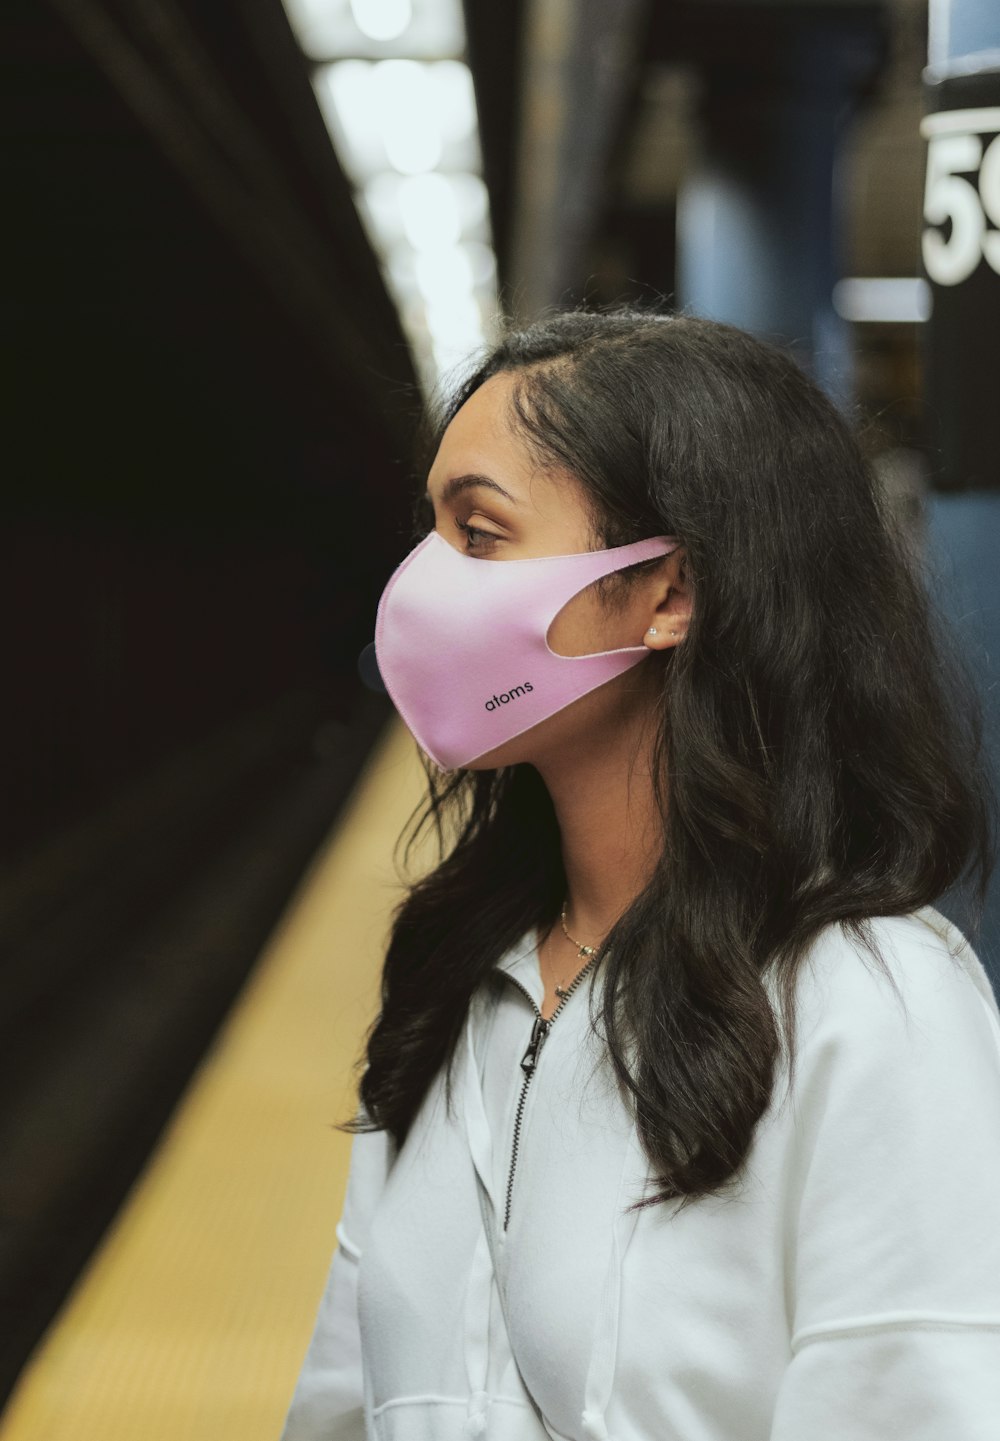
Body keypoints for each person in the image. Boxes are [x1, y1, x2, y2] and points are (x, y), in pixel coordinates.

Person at [279, 307, 1000, 1441]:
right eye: (429, 529)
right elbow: (338, 1406)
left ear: (667, 594)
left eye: (480, 533)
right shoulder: (457, 982)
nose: (421, 583)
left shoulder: (865, 1007)